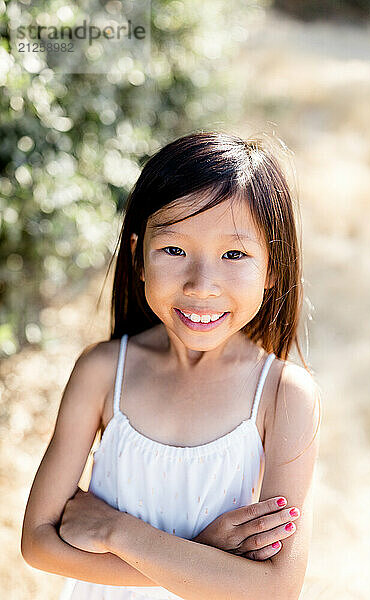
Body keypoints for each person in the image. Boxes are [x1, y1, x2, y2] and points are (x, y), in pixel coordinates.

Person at [21, 131, 322, 600]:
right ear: (139, 257)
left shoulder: (284, 395)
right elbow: (38, 544)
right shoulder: (103, 372)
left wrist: (118, 532)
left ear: (273, 270)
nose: (202, 285)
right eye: (175, 250)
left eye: (235, 254)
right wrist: (203, 555)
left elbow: (275, 588)